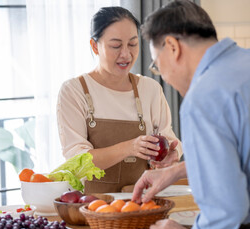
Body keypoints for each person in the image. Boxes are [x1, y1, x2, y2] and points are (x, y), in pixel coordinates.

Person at [132, 1, 250, 229]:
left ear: (172, 47)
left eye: (157, 65)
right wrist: (176, 171)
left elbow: (226, 210)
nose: (164, 77)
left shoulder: (203, 97)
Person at [56, 6, 182, 194]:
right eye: (115, 46)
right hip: (91, 207)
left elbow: (169, 137)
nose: (126, 54)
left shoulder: (150, 89)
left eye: (132, 44)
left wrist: (172, 154)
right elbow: (77, 160)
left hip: (140, 202)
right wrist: (129, 147)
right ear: (94, 46)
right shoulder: (74, 91)